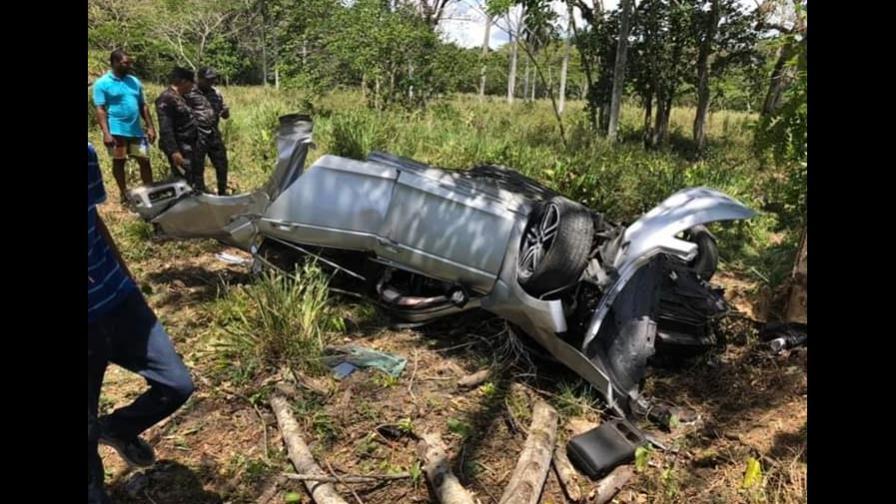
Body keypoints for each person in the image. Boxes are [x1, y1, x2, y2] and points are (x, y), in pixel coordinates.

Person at [88, 143, 194, 503]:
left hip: (118, 300)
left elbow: (94, 219)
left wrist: (126, 276)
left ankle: (117, 428)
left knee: (176, 384)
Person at [92, 49, 157, 203]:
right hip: (116, 130)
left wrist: (150, 126)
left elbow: (143, 105)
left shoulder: (134, 81)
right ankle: (124, 194)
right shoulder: (102, 83)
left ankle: (149, 192)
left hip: (136, 130)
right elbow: (100, 109)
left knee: (144, 160)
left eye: (129, 62)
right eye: (125, 63)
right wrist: (106, 133)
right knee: (119, 161)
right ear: (114, 63)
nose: (129, 65)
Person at [155, 67, 202, 190]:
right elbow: (166, 128)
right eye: (191, 83)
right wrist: (174, 152)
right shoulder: (166, 98)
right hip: (179, 147)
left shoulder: (181, 97)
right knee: (183, 180)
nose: (192, 87)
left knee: (191, 177)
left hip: (189, 145)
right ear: (183, 81)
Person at [196, 68, 231, 195]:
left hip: (214, 134)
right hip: (197, 135)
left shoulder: (216, 93)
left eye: (213, 79)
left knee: (222, 163)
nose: (211, 82)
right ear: (199, 78)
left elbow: (225, 114)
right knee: (197, 166)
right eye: (208, 79)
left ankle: (222, 192)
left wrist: (226, 112)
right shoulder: (190, 93)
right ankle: (199, 193)